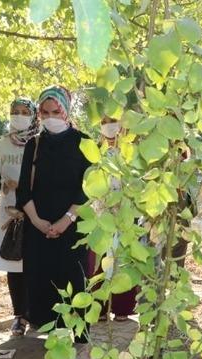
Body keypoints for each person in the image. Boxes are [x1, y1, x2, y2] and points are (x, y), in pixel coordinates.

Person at [15, 86, 90, 342]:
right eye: (45, 113)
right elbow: (24, 190)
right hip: (39, 231)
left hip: (73, 228)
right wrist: (38, 222)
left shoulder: (85, 143)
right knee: (44, 291)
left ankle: (80, 345)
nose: (50, 117)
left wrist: (65, 220)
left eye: (55, 112)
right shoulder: (33, 145)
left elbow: (88, 189)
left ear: (66, 111)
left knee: (75, 284)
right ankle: (53, 345)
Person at [0, 98, 39, 336]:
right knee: (14, 263)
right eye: (14, 112)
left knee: (34, 264)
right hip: (9, 211)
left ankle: (36, 313)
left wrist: (26, 188)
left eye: (24, 112)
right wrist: (3, 184)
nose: (19, 116)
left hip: (34, 211)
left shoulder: (39, 144)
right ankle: (19, 316)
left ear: (33, 115)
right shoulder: (0, 145)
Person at [86, 116, 136, 322]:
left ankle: (122, 308)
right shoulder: (94, 152)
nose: (110, 125)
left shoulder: (130, 152)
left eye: (113, 120)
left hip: (123, 214)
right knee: (99, 261)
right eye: (105, 121)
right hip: (100, 215)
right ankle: (99, 307)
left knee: (122, 260)